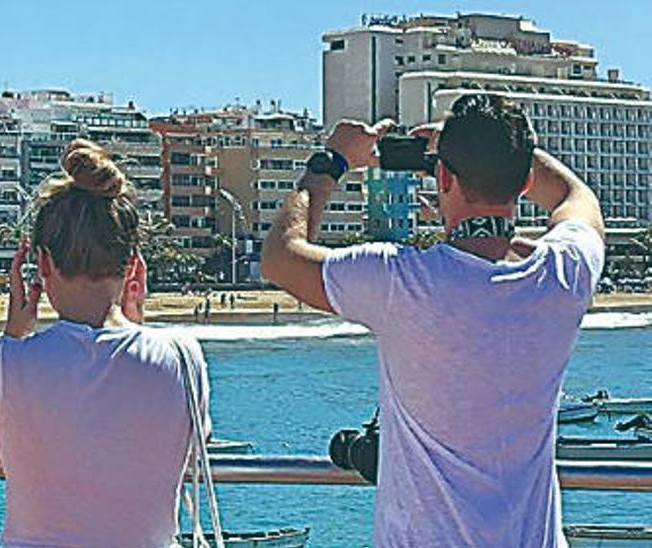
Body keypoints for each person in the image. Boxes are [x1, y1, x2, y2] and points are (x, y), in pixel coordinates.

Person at [259, 94, 604, 547]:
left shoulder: (401, 281)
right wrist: (494, 152)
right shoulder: (561, 274)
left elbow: (281, 258)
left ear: (443, 177)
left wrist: (330, 163)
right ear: (523, 182)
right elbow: (575, 197)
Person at [0, 139, 209, 546]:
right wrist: (134, 322)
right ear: (133, 265)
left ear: (44, 263)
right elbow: (184, 452)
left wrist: (15, 335)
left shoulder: (9, 363)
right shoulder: (183, 356)